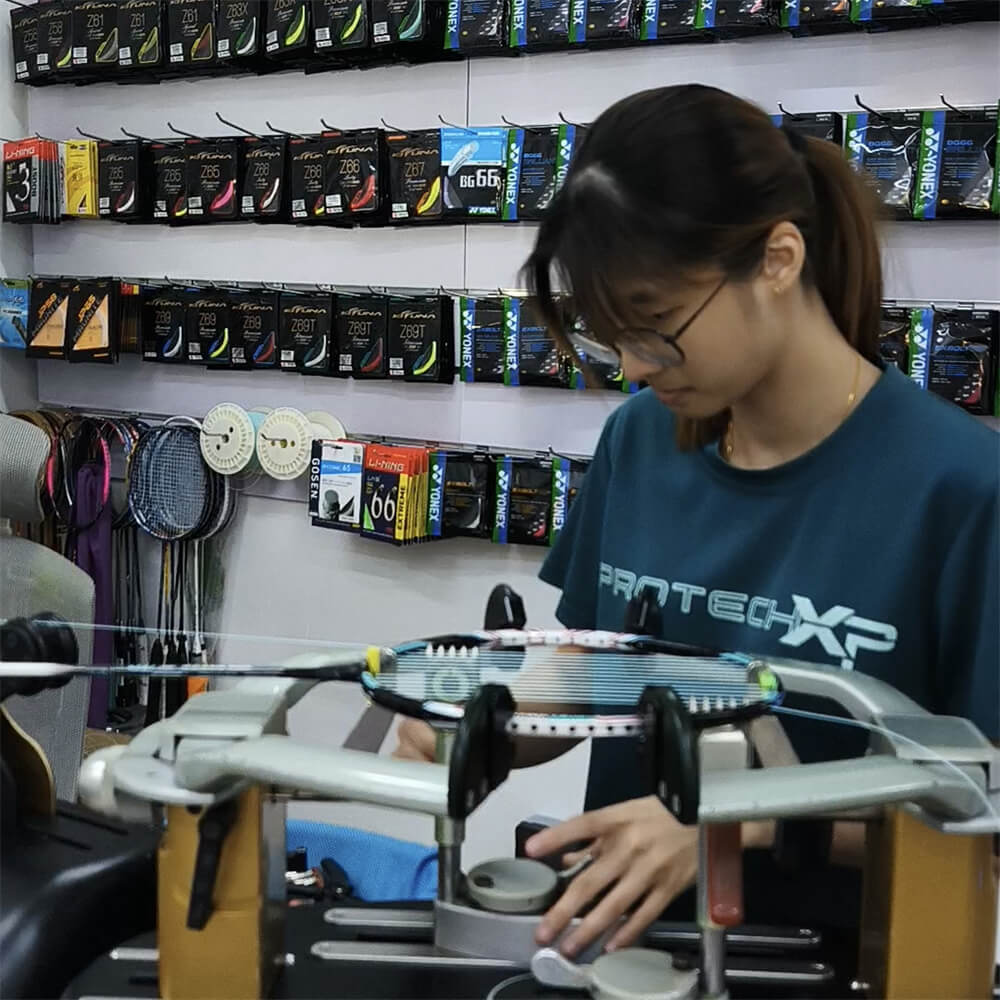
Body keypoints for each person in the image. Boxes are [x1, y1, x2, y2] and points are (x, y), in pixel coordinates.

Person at [395, 84, 999, 959]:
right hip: (621, 957)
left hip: (848, 964)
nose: (637, 368)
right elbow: (594, 681)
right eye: (612, 338)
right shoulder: (639, 441)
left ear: (779, 258)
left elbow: (984, 815)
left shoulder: (961, 491)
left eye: (657, 328)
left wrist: (733, 823)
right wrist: (489, 722)